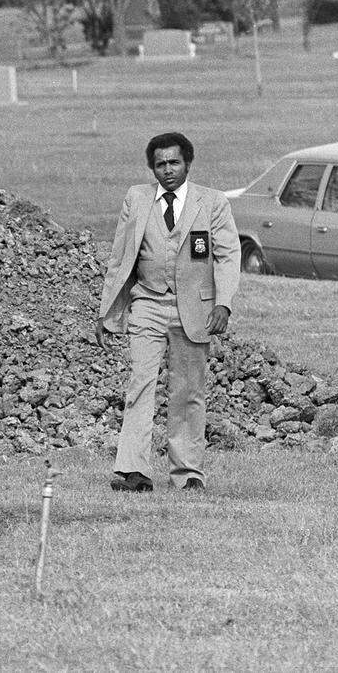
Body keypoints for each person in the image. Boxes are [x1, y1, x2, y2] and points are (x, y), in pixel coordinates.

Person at [97, 132, 240, 492]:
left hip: (195, 308)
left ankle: (188, 473)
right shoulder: (136, 198)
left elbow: (227, 255)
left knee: (188, 391)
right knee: (140, 384)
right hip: (147, 303)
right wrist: (106, 311)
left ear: (188, 164)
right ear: (152, 168)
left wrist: (223, 303)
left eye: (174, 162)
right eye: (160, 164)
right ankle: (133, 471)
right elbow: (119, 258)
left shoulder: (213, 202)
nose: (167, 170)